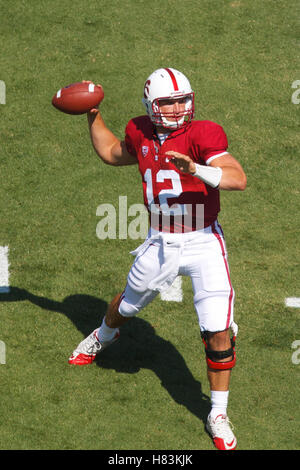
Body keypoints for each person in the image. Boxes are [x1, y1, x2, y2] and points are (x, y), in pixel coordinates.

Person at [68, 68, 247, 450]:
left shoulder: (203, 133)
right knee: (127, 305)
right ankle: (104, 334)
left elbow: (236, 177)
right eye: (168, 102)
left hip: (203, 241)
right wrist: (93, 113)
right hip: (160, 241)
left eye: (183, 99)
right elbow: (113, 152)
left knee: (217, 329)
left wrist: (195, 168)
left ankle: (217, 413)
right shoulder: (140, 131)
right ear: (151, 106)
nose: (178, 108)